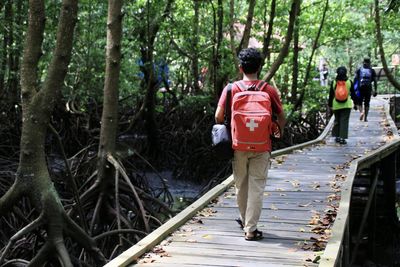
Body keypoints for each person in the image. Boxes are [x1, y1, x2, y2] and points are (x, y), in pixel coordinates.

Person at [214, 48, 286, 241]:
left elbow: (218, 117)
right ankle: (250, 228)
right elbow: (281, 116)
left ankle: (246, 221)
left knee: (241, 185)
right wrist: (278, 132)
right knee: (257, 186)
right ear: (260, 67)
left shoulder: (231, 89)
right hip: (262, 146)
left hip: (238, 146)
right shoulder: (268, 89)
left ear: (240, 68)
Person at [328, 66, 355, 145]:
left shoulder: (334, 82)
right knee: (344, 121)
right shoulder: (349, 82)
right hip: (347, 105)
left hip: (336, 105)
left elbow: (331, 95)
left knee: (337, 120)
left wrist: (330, 105)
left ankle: (337, 137)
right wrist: (357, 104)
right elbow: (353, 94)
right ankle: (342, 138)